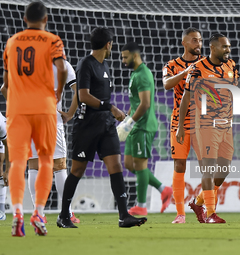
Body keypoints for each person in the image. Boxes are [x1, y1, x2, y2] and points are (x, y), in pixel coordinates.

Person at [57, 27, 147, 229]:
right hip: (87, 126)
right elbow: (84, 95)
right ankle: (64, 215)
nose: (112, 47)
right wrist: (111, 107)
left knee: (115, 166)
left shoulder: (105, 65)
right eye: (111, 44)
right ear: (108, 44)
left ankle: (124, 216)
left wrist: (109, 112)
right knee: (78, 170)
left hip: (105, 124)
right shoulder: (85, 65)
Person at [1, 1, 68, 236]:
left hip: (18, 110)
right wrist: (57, 93)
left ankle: (17, 213)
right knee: (47, 162)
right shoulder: (53, 40)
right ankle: (38, 213)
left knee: (19, 163)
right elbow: (61, 68)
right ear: (46, 20)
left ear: (24, 19)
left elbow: (5, 85)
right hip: (44, 108)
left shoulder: (11, 42)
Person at [176, 34, 240, 223]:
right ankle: (210, 213)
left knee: (223, 170)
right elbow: (186, 97)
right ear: (213, 48)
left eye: (229, 46)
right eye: (224, 47)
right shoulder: (197, 69)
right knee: (208, 169)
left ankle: (198, 202)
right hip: (206, 125)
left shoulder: (231, 66)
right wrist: (180, 126)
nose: (228, 50)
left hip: (226, 125)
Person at [118, 42, 172, 216]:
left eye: (125, 57)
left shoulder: (143, 75)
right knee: (128, 164)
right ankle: (163, 189)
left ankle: (141, 205)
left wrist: (130, 122)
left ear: (135, 56)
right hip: (135, 125)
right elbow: (135, 103)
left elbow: (145, 104)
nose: (122, 60)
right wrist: (127, 118)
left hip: (143, 126)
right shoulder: (135, 74)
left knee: (140, 165)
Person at [27, 60, 80, 224]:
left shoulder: (27, 63)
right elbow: (78, 91)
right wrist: (70, 114)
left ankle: (38, 212)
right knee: (59, 166)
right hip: (51, 118)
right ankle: (67, 212)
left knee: (34, 165)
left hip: (29, 117)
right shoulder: (62, 64)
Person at [162, 27, 204, 223]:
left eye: (200, 40)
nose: (198, 44)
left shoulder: (206, 64)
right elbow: (166, 84)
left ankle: (202, 204)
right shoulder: (171, 64)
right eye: (194, 40)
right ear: (184, 43)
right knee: (179, 164)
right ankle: (180, 214)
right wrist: (186, 72)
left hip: (202, 122)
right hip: (180, 122)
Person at [0, 113, 9, 221]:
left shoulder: (0, 124)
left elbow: (8, 145)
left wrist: (8, 170)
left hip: (3, 138)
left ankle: (1, 208)